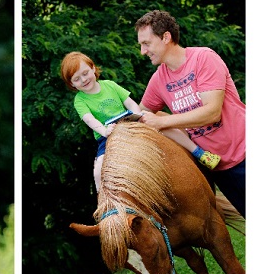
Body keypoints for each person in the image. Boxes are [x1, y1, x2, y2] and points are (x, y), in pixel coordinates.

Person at [135, 10, 246, 217]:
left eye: (146, 43)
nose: (143, 51)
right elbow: (140, 114)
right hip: (220, 169)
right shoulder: (159, 79)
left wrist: (162, 122)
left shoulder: (203, 59)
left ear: (166, 37)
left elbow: (212, 112)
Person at [60, 51, 220, 194]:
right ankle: (104, 201)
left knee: (164, 125)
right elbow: (90, 119)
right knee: (98, 170)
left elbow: (129, 103)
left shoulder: (109, 85)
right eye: (77, 79)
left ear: (93, 68)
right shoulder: (80, 100)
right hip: (108, 134)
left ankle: (199, 153)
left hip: (127, 120)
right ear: (72, 84)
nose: (84, 79)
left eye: (85, 73)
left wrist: (138, 115)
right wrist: (104, 131)